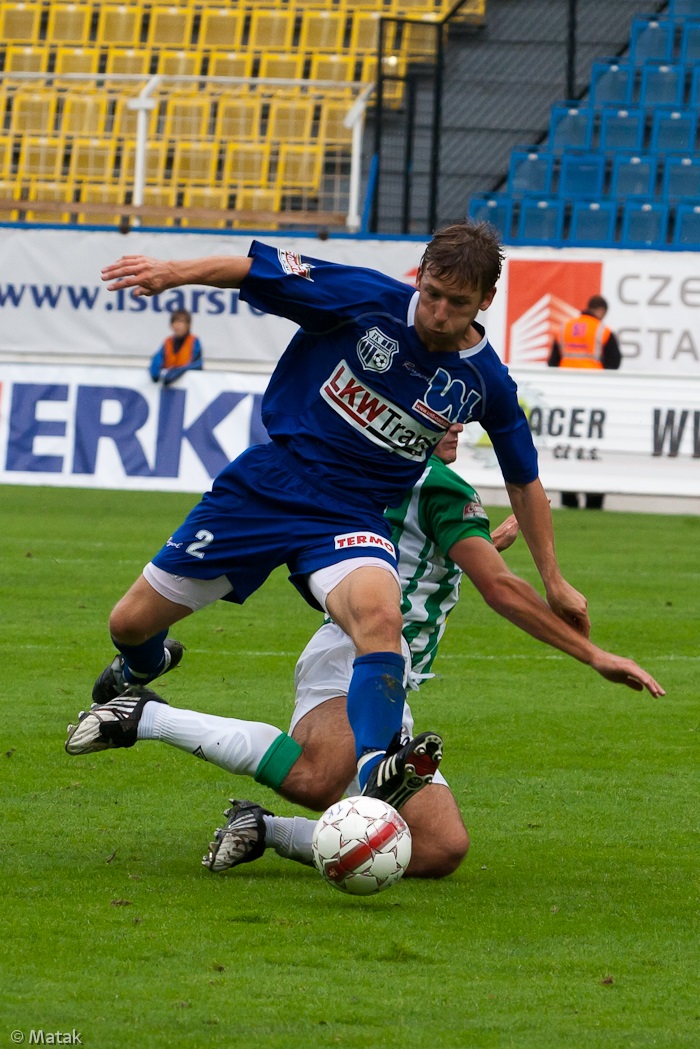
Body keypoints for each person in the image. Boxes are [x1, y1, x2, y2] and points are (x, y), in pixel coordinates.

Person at [90, 222, 590, 815]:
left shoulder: (486, 381)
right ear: (419, 277)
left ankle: (378, 769)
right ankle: (145, 663)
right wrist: (172, 273)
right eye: (431, 293)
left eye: (456, 303)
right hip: (269, 486)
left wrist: (555, 579)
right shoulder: (365, 298)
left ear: (486, 300)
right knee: (129, 623)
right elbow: (254, 268)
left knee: (382, 617)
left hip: (350, 515)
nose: (437, 313)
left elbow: (525, 480)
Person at [65, 426, 665, 879]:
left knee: (440, 848)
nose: (456, 425)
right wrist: (593, 654)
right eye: (441, 416)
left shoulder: (371, 474)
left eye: (458, 414)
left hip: (386, 673)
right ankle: (145, 714)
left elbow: (408, 549)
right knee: (316, 776)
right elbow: (501, 589)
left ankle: (266, 829)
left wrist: (486, 541)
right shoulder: (440, 485)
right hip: (353, 655)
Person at [548, 294, 621, 510]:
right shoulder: (603, 331)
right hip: (594, 397)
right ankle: (594, 500)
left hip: (566, 398)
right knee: (594, 448)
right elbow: (614, 364)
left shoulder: (565, 328)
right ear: (602, 311)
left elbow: (552, 363)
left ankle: (568, 498)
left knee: (567, 447)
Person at [149, 308, 203, 386]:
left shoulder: (194, 341)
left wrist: (178, 371)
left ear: (188, 325)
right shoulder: (167, 342)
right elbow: (157, 359)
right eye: (175, 322)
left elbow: (197, 364)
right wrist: (155, 370)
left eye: (181, 322)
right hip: (167, 387)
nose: (178, 326)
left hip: (187, 386)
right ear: (171, 325)